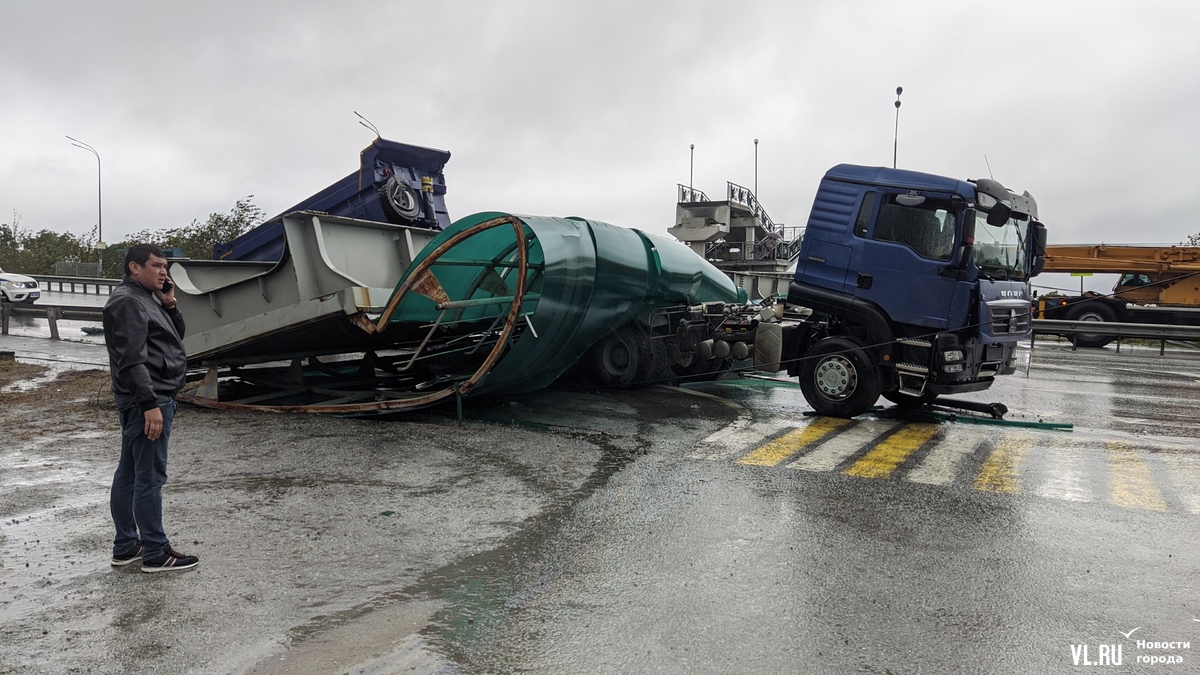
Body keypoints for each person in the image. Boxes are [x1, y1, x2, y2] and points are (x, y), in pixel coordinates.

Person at [102, 244, 199, 572]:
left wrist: (170, 305)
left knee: (130, 473)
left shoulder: (144, 299)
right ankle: (156, 552)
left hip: (148, 397)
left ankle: (127, 546)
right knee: (149, 477)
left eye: (165, 266)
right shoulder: (129, 302)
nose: (164, 272)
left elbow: (173, 338)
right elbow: (131, 359)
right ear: (134, 267)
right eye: (157, 266)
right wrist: (150, 405)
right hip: (149, 398)